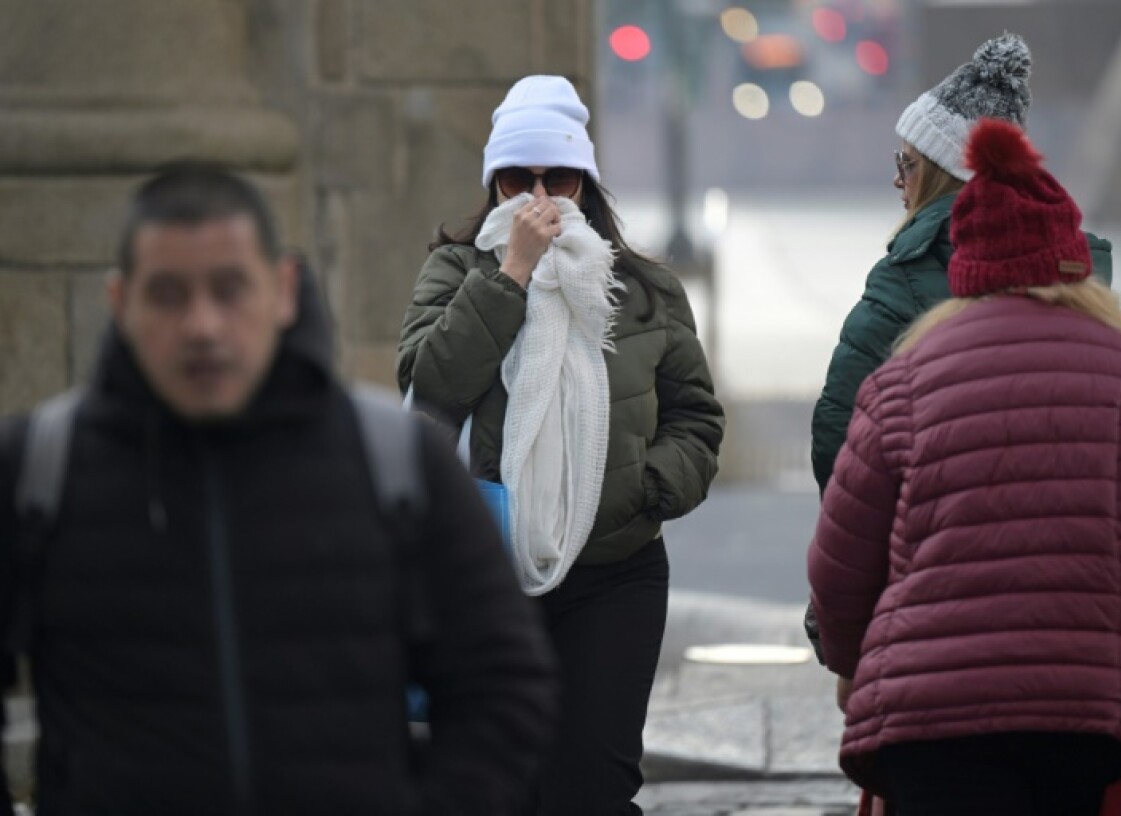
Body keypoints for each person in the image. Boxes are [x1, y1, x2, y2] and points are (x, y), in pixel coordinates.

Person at [0, 164, 557, 815]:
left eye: (230, 289)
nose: (202, 326)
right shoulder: (41, 470)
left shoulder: (397, 464)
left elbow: (504, 681)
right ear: (121, 303)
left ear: (284, 289)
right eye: (168, 295)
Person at [808, 119, 1121, 816]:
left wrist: (853, 669)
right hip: (1096, 724)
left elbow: (840, 563)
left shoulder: (901, 382)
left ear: (967, 265)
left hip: (930, 727)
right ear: (1075, 262)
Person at [397, 75, 724, 815]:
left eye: (559, 177)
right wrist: (510, 274)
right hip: (486, 577)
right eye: (518, 177)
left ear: (588, 182)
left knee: (591, 790)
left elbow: (697, 420)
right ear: (494, 182)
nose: (539, 195)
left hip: (616, 571)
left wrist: (643, 488)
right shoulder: (455, 270)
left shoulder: (643, 289)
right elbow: (431, 387)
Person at [808, 32, 1115, 494]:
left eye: (907, 163)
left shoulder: (906, 280)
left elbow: (839, 437)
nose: (897, 179)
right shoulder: (1079, 274)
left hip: (939, 540)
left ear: (941, 175)